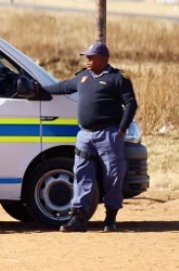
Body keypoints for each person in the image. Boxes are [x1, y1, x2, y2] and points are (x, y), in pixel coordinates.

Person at [42, 42, 138, 232]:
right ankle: (79, 218)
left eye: (91, 57)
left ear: (103, 59)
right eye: (86, 57)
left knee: (112, 175)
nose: (87, 60)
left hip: (109, 134)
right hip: (85, 135)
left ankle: (111, 217)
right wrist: (40, 90)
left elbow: (131, 103)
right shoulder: (83, 76)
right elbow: (64, 87)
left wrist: (123, 127)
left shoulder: (117, 78)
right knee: (81, 174)